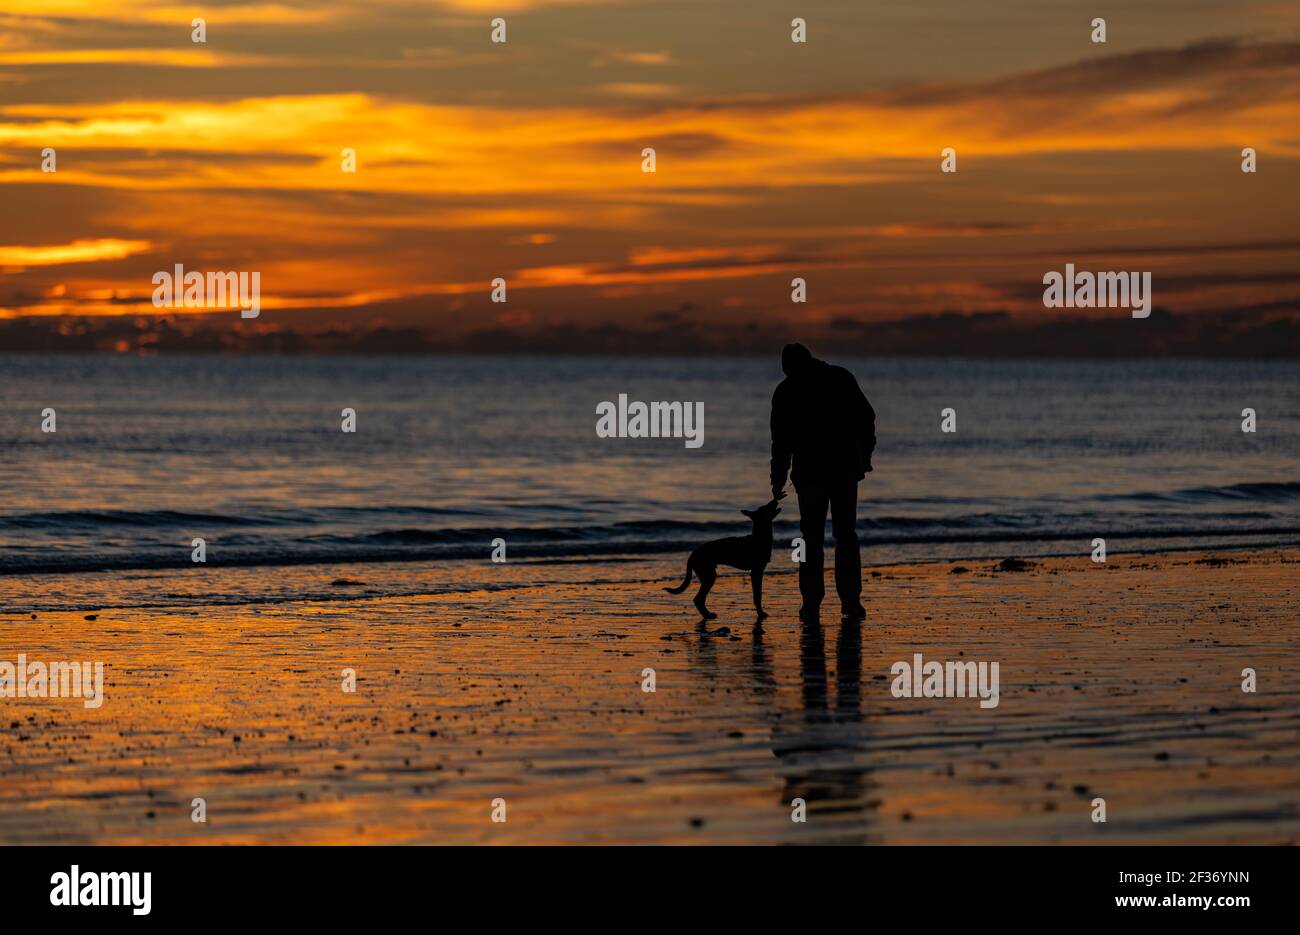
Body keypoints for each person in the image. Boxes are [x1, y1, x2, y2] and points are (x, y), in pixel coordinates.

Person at [769, 343, 875, 621]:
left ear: (790, 367)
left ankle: (814, 604)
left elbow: (780, 443)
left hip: (814, 473)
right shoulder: (840, 377)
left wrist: (777, 478)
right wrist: (864, 457)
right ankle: (848, 602)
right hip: (842, 470)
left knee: (813, 539)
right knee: (844, 536)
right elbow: (867, 418)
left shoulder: (787, 391)